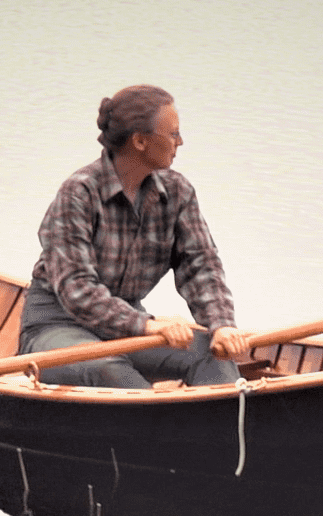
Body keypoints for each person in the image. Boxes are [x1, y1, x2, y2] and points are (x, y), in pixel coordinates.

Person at [18, 85, 251, 387]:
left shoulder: (178, 192)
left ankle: (222, 426)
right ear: (140, 141)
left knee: (213, 355)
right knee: (108, 370)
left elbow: (201, 268)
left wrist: (220, 326)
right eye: (173, 134)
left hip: (128, 325)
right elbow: (77, 289)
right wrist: (146, 325)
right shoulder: (79, 192)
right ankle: (162, 427)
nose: (180, 142)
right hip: (58, 325)